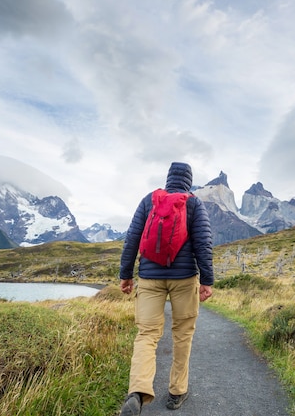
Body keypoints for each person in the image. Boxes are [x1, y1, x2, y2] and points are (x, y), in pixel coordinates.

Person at [118, 162, 214, 416]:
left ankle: (137, 391)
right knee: (182, 333)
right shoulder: (193, 203)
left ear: (168, 178)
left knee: (147, 334)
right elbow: (203, 244)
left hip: (149, 278)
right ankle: (176, 391)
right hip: (184, 279)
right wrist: (207, 281)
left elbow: (132, 238)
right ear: (189, 182)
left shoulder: (149, 201)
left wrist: (126, 275)